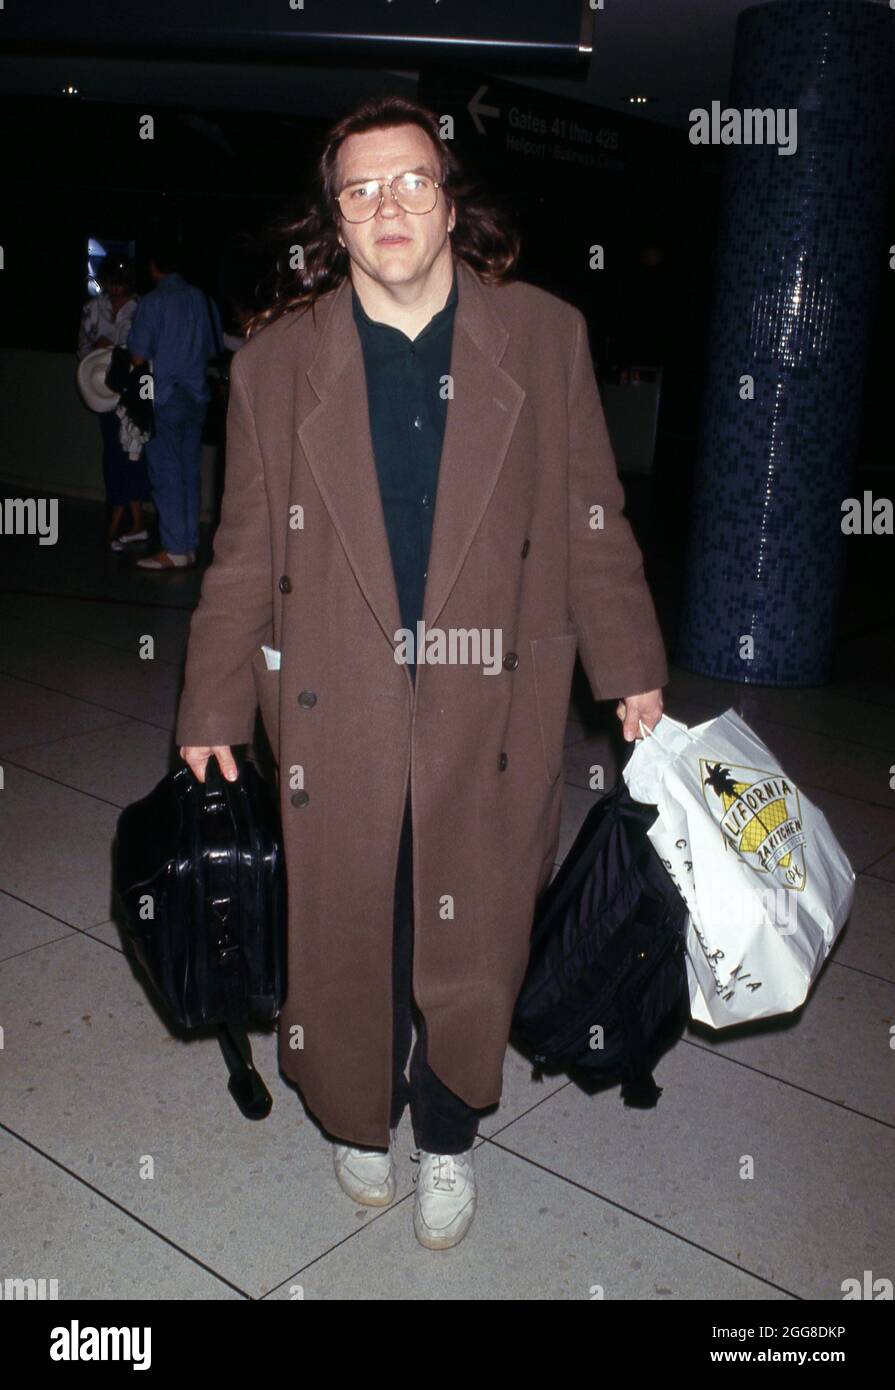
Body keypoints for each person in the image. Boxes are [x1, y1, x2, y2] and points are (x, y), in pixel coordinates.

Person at [174, 94, 668, 1250]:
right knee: (350, 919)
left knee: (476, 922)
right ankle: (358, 1113)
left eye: (411, 183)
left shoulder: (543, 337)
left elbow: (594, 515)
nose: (388, 206)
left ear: (449, 205)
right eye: (362, 189)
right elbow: (243, 548)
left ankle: (448, 1133)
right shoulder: (277, 363)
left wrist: (630, 661)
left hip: (490, 685)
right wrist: (206, 697)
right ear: (335, 222)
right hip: (333, 689)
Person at [127, 239, 222, 569]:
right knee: (189, 471)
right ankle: (189, 545)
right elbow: (212, 348)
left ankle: (174, 548)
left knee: (166, 473)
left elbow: (138, 355)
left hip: (164, 396)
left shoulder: (153, 302)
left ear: (154, 267)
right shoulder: (200, 298)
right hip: (196, 395)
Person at [77, 259, 151, 548]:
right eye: (112, 281)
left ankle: (128, 521)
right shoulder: (92, 308)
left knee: (134, 453)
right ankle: (124, 519)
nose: (116, 287)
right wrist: (94, 349)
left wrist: (122, 350)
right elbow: (81, 347)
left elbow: (147, 349)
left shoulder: (143, 307)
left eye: (121, 281)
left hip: (133, 391)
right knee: (114, 455)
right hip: (102, 389)